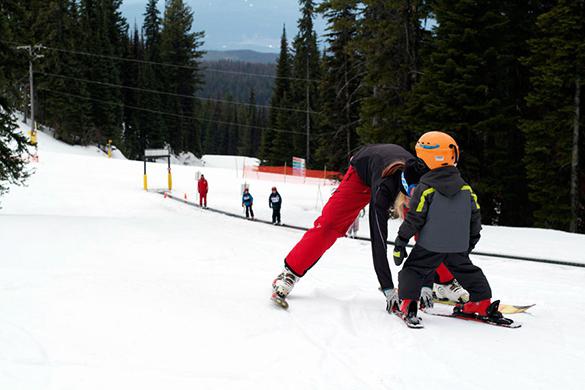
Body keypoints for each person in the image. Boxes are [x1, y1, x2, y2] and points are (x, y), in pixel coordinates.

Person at [271, 144, 428, 309]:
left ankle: (443, 282)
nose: (413, 200)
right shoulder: (384, 188)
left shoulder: (422, 178)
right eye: (412, 194)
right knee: (330, 224)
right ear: (405, 189)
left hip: (394, 173)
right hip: (362, 174)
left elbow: (435, 232)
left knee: (425, 225)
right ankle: (290, 272)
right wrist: (388, 288)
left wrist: (427, 283)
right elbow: (378, 239)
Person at [392, 131, 508, 326]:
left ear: (428, 158)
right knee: (467, 271)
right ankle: (481, 302)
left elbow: (414, 218)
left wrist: (400, 242)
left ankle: (409, 304)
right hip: (458, 245)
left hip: (430, 244)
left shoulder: (425, 187)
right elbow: (475, 217)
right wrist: (469, 242)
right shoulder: (465, 188)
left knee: (413, 269)